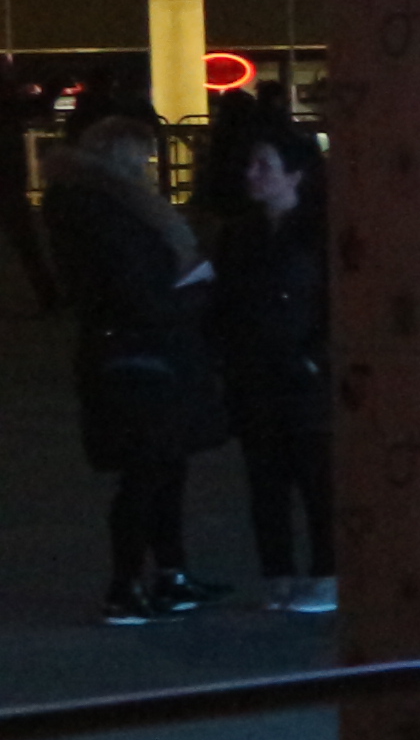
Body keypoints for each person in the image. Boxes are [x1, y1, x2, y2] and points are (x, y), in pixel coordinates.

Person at [44, 117, 229, 623]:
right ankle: (131, 584)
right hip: (145, 352)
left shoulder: (84, 204)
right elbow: (134, 290)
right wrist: (193, 293)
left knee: (157, 467)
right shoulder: (110, 210)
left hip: (129, 351)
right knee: (150, 471)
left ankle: (163, 575)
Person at [208, 127, 338, 615]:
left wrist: (314, 356)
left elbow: (334, 302)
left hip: (302, 373)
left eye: (265, 165)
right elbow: (224, 300)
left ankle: (326, 572)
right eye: (250, 164)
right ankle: (277, 572)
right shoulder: (240, 233)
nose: (252, 174)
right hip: (255, 371)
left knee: (315, 477)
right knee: (265, 481)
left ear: (296, 175)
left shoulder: (319, 232)